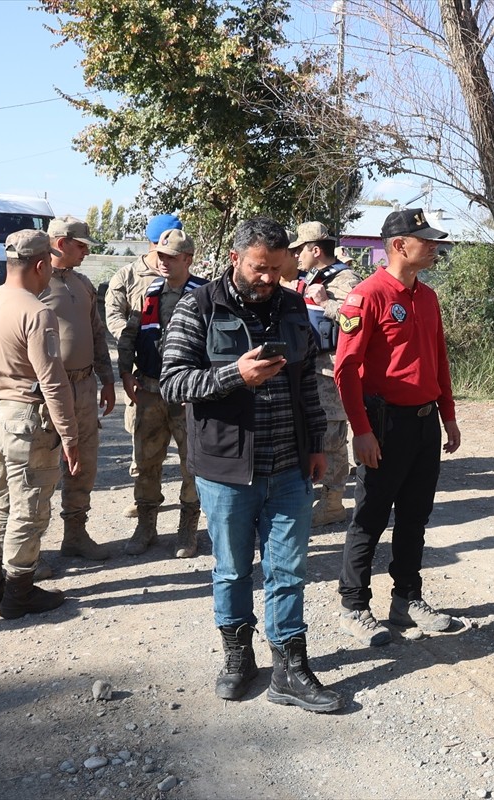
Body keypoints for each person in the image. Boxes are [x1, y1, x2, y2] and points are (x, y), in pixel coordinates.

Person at [160, 217, 341, 713]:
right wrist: (234, 376)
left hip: (289, 466)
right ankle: (238, 658)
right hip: (225, 471)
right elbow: (173, 383)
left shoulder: (290, 305)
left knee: (288, 570)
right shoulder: (198, 306)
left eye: (278, 270)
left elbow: (306, 380)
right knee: (234, 569)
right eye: (261, 269)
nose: (270, 279)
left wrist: (318, 443)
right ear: (236, 258)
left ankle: (290, 668)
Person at [332, 209, 460, 647]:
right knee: (369, 517)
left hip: (424, 424)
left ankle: (407, 597)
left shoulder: (427, 297)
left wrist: (448, 415)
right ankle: (354, 604)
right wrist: (361, 430)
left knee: (415, 517)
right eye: (426, 239)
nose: (434, 246)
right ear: (400, 245)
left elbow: (437, 358)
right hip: (384, 426)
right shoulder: (366, 296)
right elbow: (345, 371)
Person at [0, 230, 80, 619]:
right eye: (49, 263)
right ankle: (19, 591)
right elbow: (52, 380)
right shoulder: (36, 311)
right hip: (25, 423)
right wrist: (69, 436)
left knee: (1, 498)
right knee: (28, 508)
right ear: (40, 265)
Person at [117, 228, 208, 558]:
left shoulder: (205, 294)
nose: (164, 262)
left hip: (188, 396)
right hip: (151, 394)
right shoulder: (150, 291)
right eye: (161, 256)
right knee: (146, 461)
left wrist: (201, 385)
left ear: (187, 259)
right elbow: (129, 335)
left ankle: (188, 530)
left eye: (171, 257)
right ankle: (146, 526)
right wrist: (125, 372)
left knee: (192, 465)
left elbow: (215, 346)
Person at [41, 216, 117, 563]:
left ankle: (75, 534)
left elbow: (96, 333)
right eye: (82, 246)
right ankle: (27, 553)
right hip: (45, 393)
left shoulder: (83, 283)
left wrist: (107, 379)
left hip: (84, 387)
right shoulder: (33, 284)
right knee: (38, 468)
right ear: (61, 243)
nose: (86, 252)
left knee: (82, 464)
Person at [106, 213, 184, 520]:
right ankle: (145, 500)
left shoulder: (183, 273)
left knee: (188, 446)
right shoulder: (128, 275)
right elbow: (113, 315)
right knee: (143, 444)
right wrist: (134, 338)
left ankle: (190, 506)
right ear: (154, 241)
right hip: (143, 372)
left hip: (178, 377)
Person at [292, 221, 361, 526]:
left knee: (332, 437)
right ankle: (316, 495)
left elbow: (359, 321)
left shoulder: (346, 279)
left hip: (332, 371)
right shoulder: (312, 278)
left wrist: (327, 303)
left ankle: (333, 502)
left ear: (315, 250)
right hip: (311, 369)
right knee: (313, 434)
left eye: (299, 250)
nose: (295, 256)